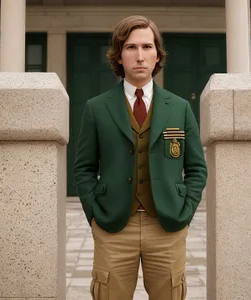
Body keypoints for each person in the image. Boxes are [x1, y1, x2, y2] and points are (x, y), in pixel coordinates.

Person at [73, 15, 207, 300]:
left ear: (157, 54)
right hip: (113, 228)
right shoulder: (96, 108)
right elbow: (83, 168)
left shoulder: (180, 108)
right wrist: (96, 215)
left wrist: (186, 211)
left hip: (168, 226)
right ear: (118, 56)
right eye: (131, 47)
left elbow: (196, 168)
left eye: (147, 47)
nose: (140, 56)